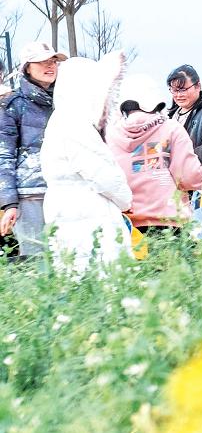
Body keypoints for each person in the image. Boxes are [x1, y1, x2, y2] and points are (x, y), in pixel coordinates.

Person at [40, 53, 133, 273]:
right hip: (87, 216)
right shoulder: (75, 123)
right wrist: (125, 199)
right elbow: (103, 173)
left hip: (70, 213)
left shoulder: (59, 120)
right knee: (103, 282)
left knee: (76, 282)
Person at [108, 74, 202, 236]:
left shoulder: (112, 135)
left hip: (128, 227)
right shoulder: (170, 129)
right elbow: (189, 177)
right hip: (169, 225)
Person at [0, 42, 66, 256]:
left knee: (69, 258)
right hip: (30, 195)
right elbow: (4, 155)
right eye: (43, 61)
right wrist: (9, 203)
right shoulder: (13, 104)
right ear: (27, 67)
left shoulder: (66, 102)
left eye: (53, 61)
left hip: (65, 190)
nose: (51, 66)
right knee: (37, 260)